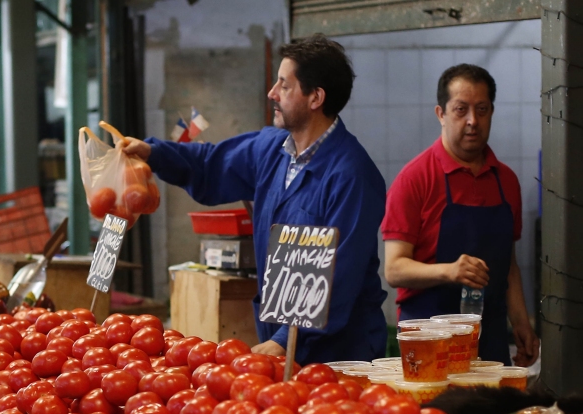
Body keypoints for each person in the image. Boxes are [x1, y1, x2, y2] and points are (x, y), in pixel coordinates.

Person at [119, 35, 388, 364]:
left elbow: (338, 278)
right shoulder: (272, 150)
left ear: (316, 97)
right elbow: (210, 164)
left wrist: (282, 341)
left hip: (339, 354)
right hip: (281, 344)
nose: (272, 93)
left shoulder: (351, 175)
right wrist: (155, 153)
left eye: (284, 86)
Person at [382, 65, 539, 366]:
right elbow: (394, 269)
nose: (472, 121)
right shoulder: (415, 178)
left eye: (481, 109)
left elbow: (509, 267)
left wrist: (521, 324)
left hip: (489, 338)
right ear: (440, 114)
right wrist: (449, 271)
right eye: (460, 110)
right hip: (429, 342)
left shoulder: (505, 181)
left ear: (492, 111)